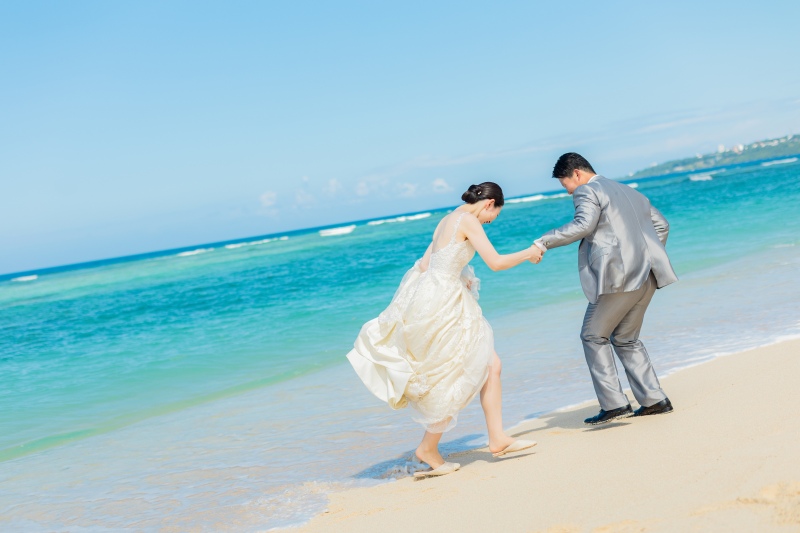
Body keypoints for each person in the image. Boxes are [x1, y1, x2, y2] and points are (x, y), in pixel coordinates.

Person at [347, 182, 542, 478]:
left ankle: (495, 438)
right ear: (489, 203)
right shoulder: (469, 220)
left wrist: (456, 276)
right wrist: (531, 251)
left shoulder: (446, 220)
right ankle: (432, 447)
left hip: (431, 298)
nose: (490, 222)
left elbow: (427, 265)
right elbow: (496, 262)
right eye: (495, 215)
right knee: (459, 372)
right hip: (446, 304)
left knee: (487, 366)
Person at [534, 153, 678, 425]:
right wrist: (644, 256)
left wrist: (543, 242)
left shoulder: (587, 190)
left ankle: (614, 404)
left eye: (565, 184)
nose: (567, 191)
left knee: (592, 335)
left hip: (618, 278)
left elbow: (583, 225)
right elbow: (662, 225)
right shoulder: (628, 190)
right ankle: (654, 400)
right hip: (647, 275)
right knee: (626, 338)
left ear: (576, 173)